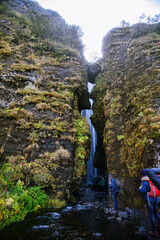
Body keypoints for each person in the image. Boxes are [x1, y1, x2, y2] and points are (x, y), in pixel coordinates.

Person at [139, 169, 160, 238]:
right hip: (156, 198)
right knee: (156, 212)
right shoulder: (152, 178)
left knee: (152, 215)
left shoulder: (145, 181)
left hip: (149, 200)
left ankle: (154, 231)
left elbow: (143, 190)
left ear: (142, 174)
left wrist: (140, 188)